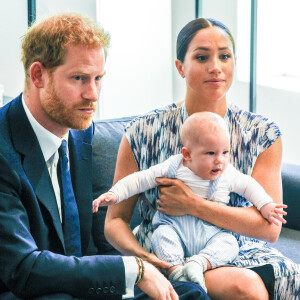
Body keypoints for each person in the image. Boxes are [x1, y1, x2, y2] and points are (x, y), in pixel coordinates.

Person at [0, 13, 209, 300]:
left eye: (98, 78)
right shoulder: (3, 151)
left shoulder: (79, 132)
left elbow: (85, 249)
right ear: (38, 75)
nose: (93, 94)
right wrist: (133, 269)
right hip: (26, 290)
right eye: (79, 79)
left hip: (79, 283)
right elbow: (24, 268)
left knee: (190, 294)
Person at [104, 17, 300, 299]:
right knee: (247, 288)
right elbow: (114, 222)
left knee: (262, 283)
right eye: (202, 57)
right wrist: (144, 259)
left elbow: (269, 229)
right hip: (164, 249)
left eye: (224, 56)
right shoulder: (142, 131)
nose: (216, 67)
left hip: (234, 248)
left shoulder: (261, 134)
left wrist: (192, 204)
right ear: (180, 67)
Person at [94, 111, 287, 292]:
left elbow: (250, 186)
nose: (219, 160)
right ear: (187, 154)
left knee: (229, 243)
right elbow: (140, 179)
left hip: (211, 232)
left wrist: (266, 205)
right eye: (210, 153)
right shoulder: (175, 166)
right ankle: (176, 271)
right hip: (174, 227)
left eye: (225, 152)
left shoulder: (227, 174)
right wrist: (115, 193)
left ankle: (199, 263)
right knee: (161, 236)